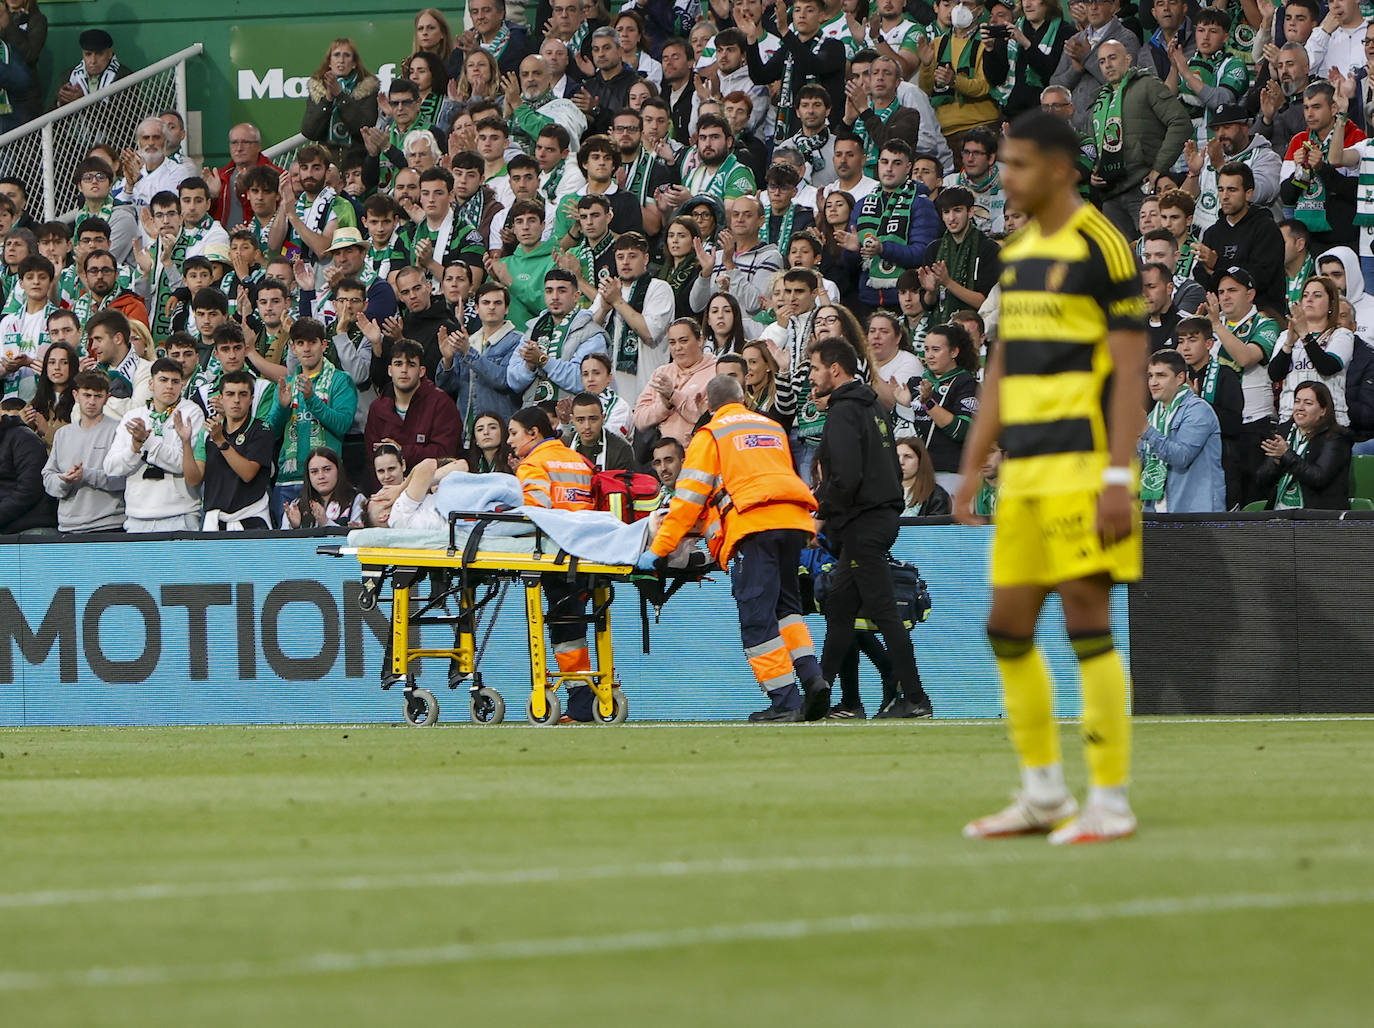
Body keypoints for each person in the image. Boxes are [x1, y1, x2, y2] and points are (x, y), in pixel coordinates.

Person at [956, 111, 1147, 846]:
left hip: (1082, 466)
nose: (1005, 177)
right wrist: (974, 464)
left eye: (1018, 164)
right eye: (1002, 164)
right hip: (1025, 474)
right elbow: (1001, 363)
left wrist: (1118, 478)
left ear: (1062, 168)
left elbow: (1130, 369)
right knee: (1006, 627)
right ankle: (1042, 792)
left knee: (1086, 624)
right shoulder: (1022, 246)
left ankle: (1111, 800)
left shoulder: (1101, 242)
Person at [640, 374, 825, 721]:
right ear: (743, 399)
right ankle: (812, 678)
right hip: (793, 524)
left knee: (757, 620)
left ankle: (786, 702)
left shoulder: (711, 434)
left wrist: (659, 549)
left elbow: (688, 499)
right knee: (787, 609)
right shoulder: (771, 428)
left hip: (754, 529)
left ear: (710, 405)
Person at [805, 335, 933, 719]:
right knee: (840, 611)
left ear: (834, 369)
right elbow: (886, 467)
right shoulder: (874, 406)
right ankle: (825, 701)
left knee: (883, 611)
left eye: (813, 369)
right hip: (877, 518)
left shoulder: (844, 412)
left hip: (864, 524)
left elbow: (844, 476)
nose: (810, 377)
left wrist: (820, 513)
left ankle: (915, 698)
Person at [507, 405, 601, 721]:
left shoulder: (533, 464)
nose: (509, 441)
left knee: (566, 628)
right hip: (588, 552)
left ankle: (581, 701)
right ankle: (585, 698)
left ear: (534, 433)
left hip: (554, 555)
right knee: (575, 624)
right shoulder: (579, 461)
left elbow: (535, 511)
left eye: (513, 433)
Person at [1084, 39, 1192, 239]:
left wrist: (1159, 168)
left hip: (1143, 188)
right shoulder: (1098, 102)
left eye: (1113, 58)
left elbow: (1180, 122)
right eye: (1101, 61)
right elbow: (1094, 147)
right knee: (1122, 261)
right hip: (1110, 194)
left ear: (1128, 59)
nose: (1107, 64)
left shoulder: (1148, 85)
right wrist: (1094, 172)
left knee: (1154, 248)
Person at [265, 318, 359, 522]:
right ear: (292, 347)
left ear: (324, 345)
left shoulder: (341, 380)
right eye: (300, 343)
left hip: (326, 482)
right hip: (288, 481)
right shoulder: (286, 384)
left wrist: (311, 399)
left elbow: (342, 424)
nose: (306, 349)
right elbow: (271, 433)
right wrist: (282, 408)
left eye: (312, 342)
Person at [103, 357, 204, 532]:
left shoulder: (191, 412)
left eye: (175, 381)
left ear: (182, 386)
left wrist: (147, 441)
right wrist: (134, 448)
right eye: (163, 380)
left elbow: (183, 464)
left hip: (180, 515)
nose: (169, 386)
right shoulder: (133, 417)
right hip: (137, 516)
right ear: (151, 384)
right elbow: (111, 467)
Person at [845, 139, 941, 312]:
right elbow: (850, 266)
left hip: (904, 301)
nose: (889, 168)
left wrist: (883, 249)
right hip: (867, 299)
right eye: (884, 162)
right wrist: (853, 251)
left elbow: (923, 254)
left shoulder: (921, 204)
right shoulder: (862, 205)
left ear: (908, 168)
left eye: (896, 163)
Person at [363, 338, 462, 488]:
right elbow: (372, 459)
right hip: (389, 492)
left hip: (434, 490)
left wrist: (402, 450)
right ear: (390, 370)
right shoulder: (377, 408)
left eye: (411, 364)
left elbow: (445, 454)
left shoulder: (441, 403)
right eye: (398, 364)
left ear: (421, 371)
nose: (404, 370)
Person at [1279, 82, 1363, 254]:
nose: (1309, 114)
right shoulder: (1298, 141)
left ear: (1333, 109)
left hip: (1344, 238)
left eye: (1316, 107)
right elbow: (1287, 196)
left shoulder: (1355, 137)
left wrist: (1322, 169)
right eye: (1306, 108)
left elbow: (1357, 191)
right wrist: (1300, 172)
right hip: (1307, 239)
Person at [1138, 347, 1225, 513]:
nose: (1153, 382)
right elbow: (1142, 465)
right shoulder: (1153, 416)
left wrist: (1146, 430)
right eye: (1150, 376)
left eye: (1161, 375)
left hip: (1194, 512)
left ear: (1180, 378)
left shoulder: (1198, 410)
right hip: (1155, 510)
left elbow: (1182, 456)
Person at [507, 268, 611, 406]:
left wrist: (543, 360)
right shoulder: (533, 330)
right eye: (549, 291)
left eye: (562, 291)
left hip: (572, 419)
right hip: (534, 416)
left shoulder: (592, 334)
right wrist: (529, 365)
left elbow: (581, 381)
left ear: (576, 296)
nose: (555, 297)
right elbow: (513, 381)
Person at [1194, 162, 1286, 314]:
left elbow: (1259, 278)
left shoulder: (1266, 229)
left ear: (1248, 193)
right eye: (1221, 189)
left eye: (1232, 190)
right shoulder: (1212, 233)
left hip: (1263, 313)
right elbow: (1202, 279)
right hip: (1221, 314)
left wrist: (1216, 265)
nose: (1225, 196)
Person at [899, 320, 979, 493]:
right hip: (917, 474)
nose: (929, 356)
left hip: (951, 473)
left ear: (954, 352)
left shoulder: (966, 383)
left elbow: (961, 430)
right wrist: (901, 405)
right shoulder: (915, 382)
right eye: (927, 349)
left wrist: (928, 403)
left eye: (936, 350)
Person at [42, 370, 126, 534]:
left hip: (108, 525)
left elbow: (124, 479)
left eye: (98, 396)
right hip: (68, 526)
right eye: (87, 395)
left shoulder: (118, 429)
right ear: (76, 395)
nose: (92, 401)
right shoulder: (63, 434)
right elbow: (48, 476)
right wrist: (63, 480)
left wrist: (87, 475)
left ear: (107, 398)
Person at [435, 281, 523, 429]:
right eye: (486, 302)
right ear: (476, 308)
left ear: (506, 308)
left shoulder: (518, 341)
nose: (492, 307)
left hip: (502, 430)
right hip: (467, 430)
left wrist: (469, 353)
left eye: (498, 302)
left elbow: (504, 380)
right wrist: (448, 360)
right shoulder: (467, 342)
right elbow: (446, 387)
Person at [1176, 315, 1243, 506]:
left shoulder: (1225, 375)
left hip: (1219, 464)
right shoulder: (1175, 378)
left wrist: (1196, 402)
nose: (1185, 347)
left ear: (1209, 343)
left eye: (1192, 340)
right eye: (1181, 342)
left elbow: (1233, 424)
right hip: (1184, 466)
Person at [1270, 276, 1354, 425]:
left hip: (1330, 421)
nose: (1309, 299)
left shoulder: (1341, 335)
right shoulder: (1285, 336)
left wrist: (1305, 336)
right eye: (1305, 295)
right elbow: (1275, 374)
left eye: (1317, 295)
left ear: (1331, 304)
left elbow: (1328, 366)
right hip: (1291, 418)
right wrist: (1289, 344)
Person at [1256, 380, 1353, 509]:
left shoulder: (1336, 438)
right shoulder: (1284, 431)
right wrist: (1276, 462)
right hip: (1279, 512)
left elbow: (1319, 478)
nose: (1300, 407)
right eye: (1297, 401)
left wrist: (1286, 455)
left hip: (1317, 516)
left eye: (1308, 403)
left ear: (1323, 410)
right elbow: (1261, 481)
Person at [1048, 0, 1140, 132]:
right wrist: (1075, 70)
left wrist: (1086, 58)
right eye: (1088, 2)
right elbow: (1054, 86)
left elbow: (1125, 84)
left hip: (1109, 129)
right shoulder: (1076, 40)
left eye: (1100, 1)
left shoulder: (1126, 38)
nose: (1093, 7)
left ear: (1113, 6)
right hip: (1074, 129)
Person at [916, 186, 999, 325]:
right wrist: (931, 292)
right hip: (939, 331)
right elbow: (927, 304)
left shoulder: (988, 248)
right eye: (946, 212)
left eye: (957, 210)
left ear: (971, 211)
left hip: (976, 330)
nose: (951, 218)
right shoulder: (933, 249)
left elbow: (985, 303)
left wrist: (948, 283)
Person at [633, 317, 716, 448]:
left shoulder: (716, 372)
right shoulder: (661, 373)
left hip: (697, 452)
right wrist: (663, 407)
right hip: (661, 458)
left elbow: (709, 419)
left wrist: (673, 396)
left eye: (683, 341)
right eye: (672, 342)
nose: (677, 348)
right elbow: (639, 419)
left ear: (700, 340)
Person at [283, 446, 365, 528]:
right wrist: (294, 528)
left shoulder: (357, 499)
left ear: (338, 470)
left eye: (327, 469)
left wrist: (326, 523)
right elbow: (282, 539)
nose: (321, 476)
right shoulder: (297, 505)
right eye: (314, 471)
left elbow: (357, 538)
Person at [52, 28, 129, 110]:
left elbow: (124, 118)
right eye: (88, 54)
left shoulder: (125, 77)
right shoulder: (69, 76)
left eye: (99, 54)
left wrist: (82, 102)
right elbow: (48, 116)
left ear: (110, 54)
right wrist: (60, 103)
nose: (93, 61)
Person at [568, 390, 637, 471]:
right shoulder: (562, 445)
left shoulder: (621, 449)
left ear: (603, 418)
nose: (587, 426)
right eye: (580, 420)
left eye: (593, 419)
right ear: (572, 419)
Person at [897, 435, 951, 516]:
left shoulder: (937, 496)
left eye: (908, 456)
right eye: (896, 456)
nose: (901, 462)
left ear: (920, 462)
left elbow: (936, 527)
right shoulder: (881, 492)